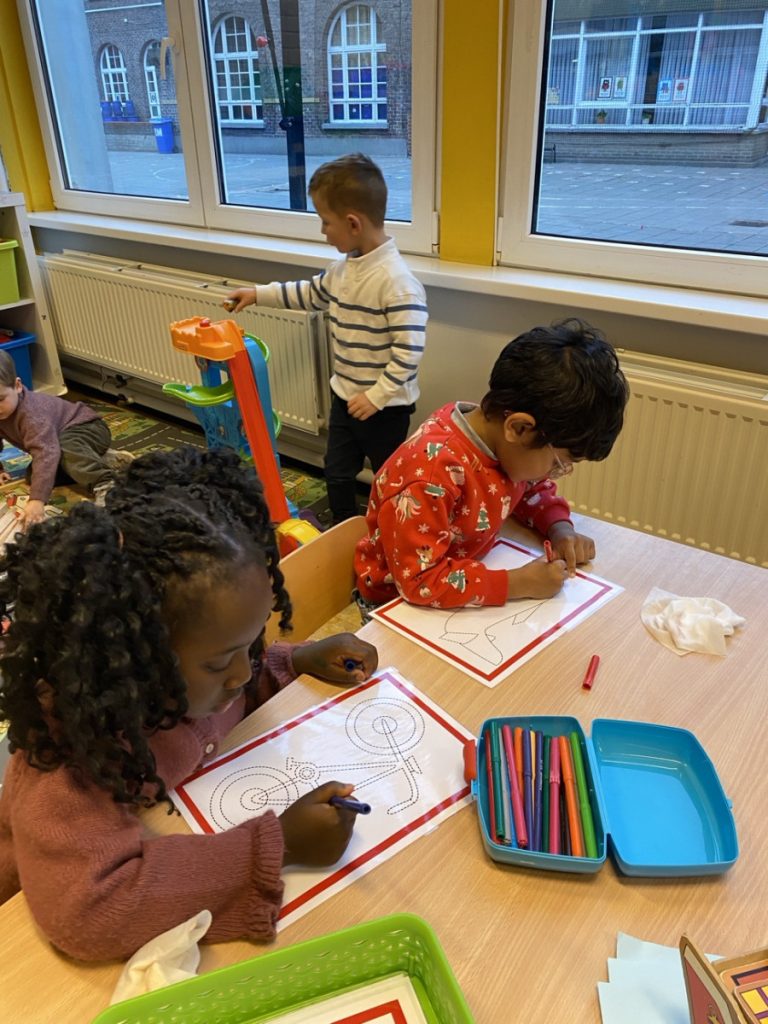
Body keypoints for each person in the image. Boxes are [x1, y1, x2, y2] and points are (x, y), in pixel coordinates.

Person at [0, 445, 378, 962]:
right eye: (221, 663)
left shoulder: (189, 671)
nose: (243, 673)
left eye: (252, 644)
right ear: (136, 653)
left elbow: (235, 691)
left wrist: (294, 661)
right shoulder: (69, 761)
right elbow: (90, 911)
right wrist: (275, 848)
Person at [354, 318, 629, 610]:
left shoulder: (503, 445)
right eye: (557, 464)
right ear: (519, 428)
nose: (553, 474)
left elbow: (532, 488)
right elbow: (419, 582)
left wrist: (559, 527)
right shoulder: (431, 478)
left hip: (456, 578)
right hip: (396, 604)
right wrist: (517, 584)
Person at [225, 153, 429, 524]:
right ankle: (342, 525)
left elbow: (409, 351)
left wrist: (377, 395)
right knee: (336, 471)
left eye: (325, 221)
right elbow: (308, 293)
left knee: (390, 480)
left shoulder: (398, 283)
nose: (323, 231)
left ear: (353, 223)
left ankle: (390, 531)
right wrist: (257, 294)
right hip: (344, 398)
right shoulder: (342, 270)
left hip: (386, 409)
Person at [0, 349, 131, 528]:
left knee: (63, 450)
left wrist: (37, 500)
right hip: (55, 442)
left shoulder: (32, 413)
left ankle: (105, 484)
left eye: (0, 399)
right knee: (34, 475)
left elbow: (45, 452)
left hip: (87, 427)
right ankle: (100, 459)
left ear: (17, 386)